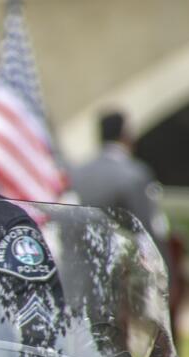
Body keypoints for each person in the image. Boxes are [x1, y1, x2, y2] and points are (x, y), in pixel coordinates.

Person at [70, 110, 170, 266]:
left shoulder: (78, 172)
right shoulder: (136, 174)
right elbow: (148, 228)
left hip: (83, 260)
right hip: (121, 264)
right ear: (125, 136)